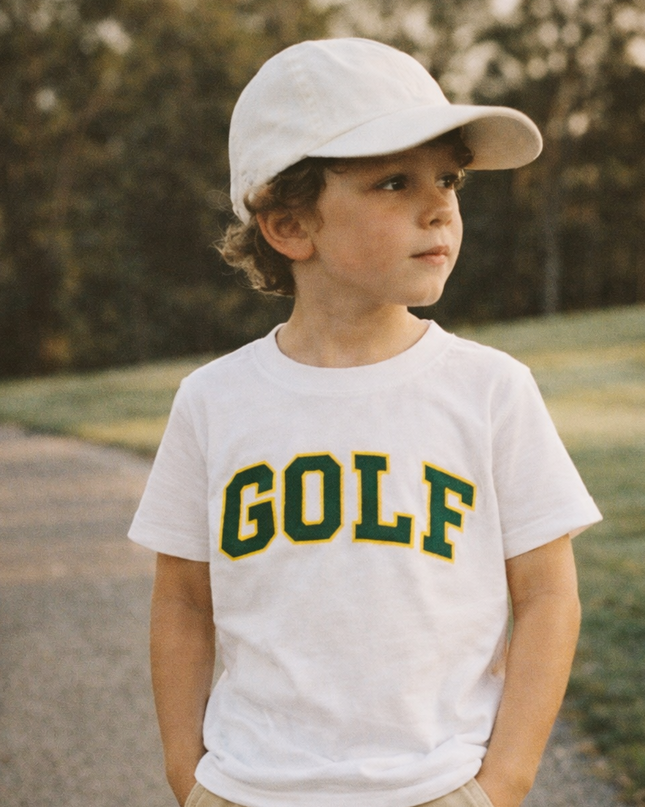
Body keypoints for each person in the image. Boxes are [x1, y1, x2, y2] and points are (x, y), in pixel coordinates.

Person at [129, 37, 602, 807]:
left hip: (433, 786)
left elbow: (548, 597)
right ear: (289, 226)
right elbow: (182, 599)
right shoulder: (213, 401)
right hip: (249, 788)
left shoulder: (491, 390)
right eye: (392, 180)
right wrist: (187, 777)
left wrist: (501, 783)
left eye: (447, 177)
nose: (439, 204)